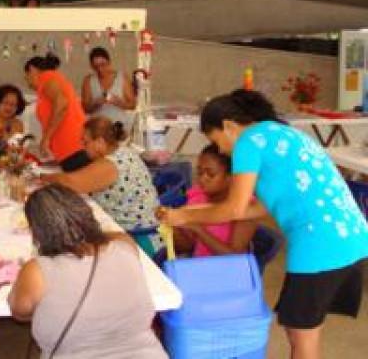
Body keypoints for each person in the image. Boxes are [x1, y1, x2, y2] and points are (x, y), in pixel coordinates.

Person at [157, 89, 368, 359]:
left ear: (230, 126)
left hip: (320, 245)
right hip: (352, 236)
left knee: (302, 335)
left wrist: (184, 217)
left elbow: (234, 208)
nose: (221, 150)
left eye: (217, 140)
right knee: (302, 328)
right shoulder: (284, 133)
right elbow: (256, 208)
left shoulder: (248, 142)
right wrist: (197, 212)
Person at [8, 184, 167, 359]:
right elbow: (110, 236)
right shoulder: (124, 245)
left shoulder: (36, 271)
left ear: (37, 232)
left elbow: (19, 311)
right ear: (85, 212)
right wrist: (88, 233)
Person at [41, 117, 161, 255]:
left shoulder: (111, 164)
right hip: (145, 228)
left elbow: (71, 183)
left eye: (85, 142)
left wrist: (43, 177)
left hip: (137, 237)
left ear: (99, 142)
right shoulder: (124, 152)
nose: (83, 147)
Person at [174, 144, 258, 257]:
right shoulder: (198, 198)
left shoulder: (246, 207)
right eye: (199, 172)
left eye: (211, 174)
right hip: (198, 265)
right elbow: (189, 246)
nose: (202, 179)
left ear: (231, 177)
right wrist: (174, 227)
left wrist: (199, 230)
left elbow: (234, 257)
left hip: (227, 271)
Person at [24, 54, 89, 172]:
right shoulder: (54, 80)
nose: (28, 82)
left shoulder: (46, 78)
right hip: (72, 148)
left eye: (27, 76)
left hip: (73, 147)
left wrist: (46, 138)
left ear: (32, 70)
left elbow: (61, 104)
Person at [81, 47, 136, 131]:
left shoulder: (122, 78)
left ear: (109, 62)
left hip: (118, 127)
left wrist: (119, 102)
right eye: (96, 66)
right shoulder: (88, 80)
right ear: (91, 66)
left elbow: (132, 105)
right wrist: (96, 104)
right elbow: (85, 109)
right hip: (97, 129)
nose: (100, 69)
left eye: (103, 65)